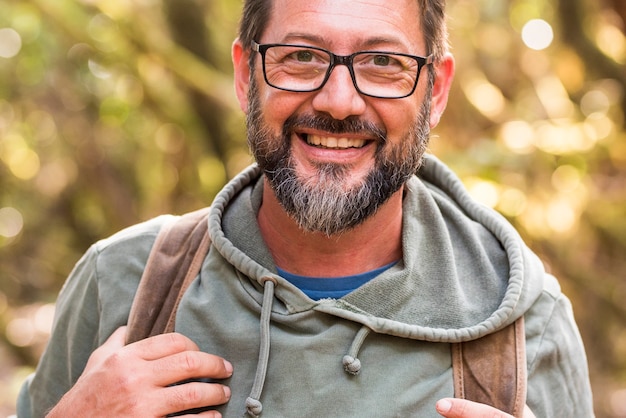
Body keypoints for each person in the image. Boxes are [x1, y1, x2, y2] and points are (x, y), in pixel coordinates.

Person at [17, 0, 594, 416]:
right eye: (300, 56)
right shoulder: (121, 282)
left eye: (383, 64)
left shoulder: (527, 325)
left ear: (435, 92)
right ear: (247, 76)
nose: (339, 101)